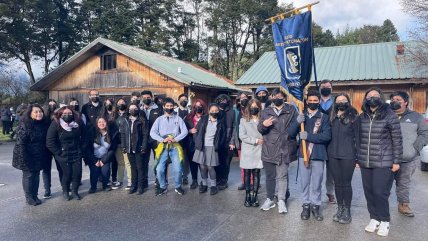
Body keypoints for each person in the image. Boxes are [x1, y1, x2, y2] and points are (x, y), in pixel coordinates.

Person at [357, 87, 402, 237]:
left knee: (380, 192)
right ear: (366, 99)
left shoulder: (389, 115)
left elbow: (397, 139)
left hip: (384, 161)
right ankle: (374, 218)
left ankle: (384, 220)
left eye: (375, 96)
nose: (372, 98)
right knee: (369, 192)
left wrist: (396, 161)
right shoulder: (362, 116)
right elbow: (358, 139)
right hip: (366, 161)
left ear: (381, 98)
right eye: (369, 96)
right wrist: (358, 158)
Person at [290, 89, 331, 221]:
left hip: (318, 154)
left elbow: (326, 136)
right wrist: (297, 122)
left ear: (319, 101)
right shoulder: (301, 116)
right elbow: (291, 134)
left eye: (315, 101)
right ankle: (306, 205)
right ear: (306, 101)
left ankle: (316, 206)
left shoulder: (324, 117)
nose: (312, 102)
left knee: (317, 183)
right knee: (305, 182)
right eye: (310, 100)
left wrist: (309, 136)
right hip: (304, 154)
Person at [258, 88, 298, 214]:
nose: (278, 98)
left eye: (280, 96)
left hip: (284, 148)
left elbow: (294, 129)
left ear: (284, 98)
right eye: (275, 96)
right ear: (272, 97)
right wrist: (264, 125)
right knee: (270, 176)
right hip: (269, 148)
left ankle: (281, 200)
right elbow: (260, 128)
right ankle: (269, 198)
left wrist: (298, 122)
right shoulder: (266, 111)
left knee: (282, 176)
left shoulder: (291, 110)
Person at [390, 91, 428, 217]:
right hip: (387, 158)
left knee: (404, 182)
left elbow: (425, 133)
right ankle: (380, 204)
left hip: (408, 158)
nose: (395, 101)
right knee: (383, 182)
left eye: (398, 99)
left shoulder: (416, 117)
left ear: (405, 102)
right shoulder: (386, 115)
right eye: (393, 99)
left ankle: (403, 204)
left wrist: (415, 149)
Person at [328, 93, 358, 224]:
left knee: (346, 184)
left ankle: (347, 209)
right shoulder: (332, 117)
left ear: (348, 101)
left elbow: (359, 138)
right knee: (337, 183)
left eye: (343, 100)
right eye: (338, 101)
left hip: (348, 155)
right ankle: (340, 207)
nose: (341, 102)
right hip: (333, 155)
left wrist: (358, 157)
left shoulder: (354, 117)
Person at [12, 104, 50, 206]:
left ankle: (35, 195)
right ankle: (29, 197)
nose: (39, 114)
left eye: (40, 111)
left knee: (36, 175)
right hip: (26, 154)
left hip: (39, 155)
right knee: (29, 175)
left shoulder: (44, 124)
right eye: (36, 112)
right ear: (30, 113)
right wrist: (24, 158)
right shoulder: (25, 124)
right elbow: (20, 143)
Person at [150, 97, 188, 196]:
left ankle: (178, 186)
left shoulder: (178, 118)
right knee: (159, 169)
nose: (169, 108)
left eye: (171, 106)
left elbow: (185, 131)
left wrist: (176, 139)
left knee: (178, 168)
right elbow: (152, 132)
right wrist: (162, 139)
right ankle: (163, 187)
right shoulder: (159, 119)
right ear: (164, 107)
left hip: (175, 146)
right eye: (167, 106)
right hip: (163, 147)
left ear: (173, 107)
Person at [46, 106, 85, 201]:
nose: (67, 115)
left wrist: (81, 149)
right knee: (67, 174)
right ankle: (66, 191)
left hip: (76, 153)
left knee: (77, 174)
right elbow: (50, 141)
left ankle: (75, 191)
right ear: (60, 114)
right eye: (65, 114)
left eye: (69, 114)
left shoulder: (78, 123)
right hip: (63, 154)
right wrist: (58, 152)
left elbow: (85, 137)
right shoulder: (55, 124)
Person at [192, 103, 226, 195]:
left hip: (212, 147)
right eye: (212, 110)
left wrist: (219, 145)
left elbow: (223, 136)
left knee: (211, 167)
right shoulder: (203, 119)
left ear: (218, 111)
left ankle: (213, 186)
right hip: (202, 146)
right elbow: (196, 131)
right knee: (202, 166)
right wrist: (197, 142)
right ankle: (204, 184)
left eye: (216, 111)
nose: (214, 112)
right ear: (209, 111)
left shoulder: (220, 122)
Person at [239, 99, 263, 207]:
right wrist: (256, 140)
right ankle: (247, 195)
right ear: (249, 108)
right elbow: (242, 136)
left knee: (257, 173)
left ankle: (255, 195)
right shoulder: (243, 120)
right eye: (252, 107)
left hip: (259, 150)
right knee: (247, 173)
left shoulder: (262, 120)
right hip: (248, 150)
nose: (254, 108)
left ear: (259, 107)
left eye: (256, 106)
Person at [87, 117, 120, 193]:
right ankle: (93, 187)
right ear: (97, 123)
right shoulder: (92, 133)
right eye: (99, 122)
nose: (101, 124)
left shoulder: (111, 133)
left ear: (106, 123)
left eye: (103, 122)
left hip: (105, 157)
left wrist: (104, 160)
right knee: (94, 172)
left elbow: (112, 149)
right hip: (94, 157)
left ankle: (105, 185)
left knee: (105, 171)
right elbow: (88, 148)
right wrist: (95, 160)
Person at [122, 104, 149, 194]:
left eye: (135, 108)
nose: (133, 110)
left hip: (139, 147)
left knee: (140, 167)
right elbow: (123, 134)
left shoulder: (142, 120)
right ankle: (134, 186)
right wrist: (123, 146)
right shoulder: (125, 120)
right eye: (131, 109)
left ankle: (140, 187)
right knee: (133, 168)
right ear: (128, 110)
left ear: (138, 109)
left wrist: (144, 146)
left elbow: (145, 134)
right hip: (129, 147)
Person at [140, 90, 164, 188]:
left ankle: (158, 179)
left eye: (148, 97)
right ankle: (144, 180)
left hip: (156, 139)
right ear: (142, 98)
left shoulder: (158, 109)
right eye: (144, 97)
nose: (146, 99)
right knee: (144, 161)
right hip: (143, 139)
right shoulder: (139, 109)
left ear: (152, 97)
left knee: (158, 160)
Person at [319, 79, 336, 204]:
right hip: (318, 138)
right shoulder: (314, 100)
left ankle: (330, 192)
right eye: (323, 86)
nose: (326, 88)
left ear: (332, 88)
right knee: (317, 169)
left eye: (328, 86)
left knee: (331, 169)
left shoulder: (336, 101)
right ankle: (316, 192)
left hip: (333, 138)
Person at [215, 94, 236, 190]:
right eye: (221, 100)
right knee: (217, 162)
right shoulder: (215, 111)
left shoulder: (232, 112)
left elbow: (234, 127)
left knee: (226, 163)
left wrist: (232, 142)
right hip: (217, 142)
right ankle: (217, 180)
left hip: (228, 141)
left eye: (225, 100)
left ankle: (224, 180)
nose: (223, 102)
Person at [184, 99, 207, 189]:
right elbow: (182, 129)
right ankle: (194, 180)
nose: (198, 107)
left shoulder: (206, 117)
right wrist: (189, 130)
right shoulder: (188, 117)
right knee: (193, 163)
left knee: (202, 164)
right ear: (194, 107)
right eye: (197, 106)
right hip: (191, 143)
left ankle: (203, 180)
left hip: (203, 143)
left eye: (200, 105)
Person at [41, 98, 61, 199]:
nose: (52, 106)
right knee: (46, 169)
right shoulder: (43, 118)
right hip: (45, 147)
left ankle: (64, 185)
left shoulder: (58, 116)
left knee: (60, 167)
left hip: (57, 144)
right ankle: (47, 189)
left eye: (54, 104)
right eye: (50, 104)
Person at [114, 98, 132, 189]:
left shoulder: (129, 115)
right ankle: (120, 180)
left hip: (126, 142)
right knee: (120, 163)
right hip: (117, 142)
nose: (121, 104)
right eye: (119, 103)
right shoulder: (115, 116)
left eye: (123, 102)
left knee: (127, 162)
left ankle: (130, 181)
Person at [175, 94, 191, 185]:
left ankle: (185, 176)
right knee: (178, 159)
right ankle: (178, 176)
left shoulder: (190, 111)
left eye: (185, 99)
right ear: (178, 101)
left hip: (188, 139)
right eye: (182, 99)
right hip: (177, 139)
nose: (184, 101)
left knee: (186, 159)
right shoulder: (174, 111)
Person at [234, 92, 249, 191]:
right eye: (241, 97)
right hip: (240, 140)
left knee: (252, 162)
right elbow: (234, 125)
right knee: (243, 163)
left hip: (251, 140)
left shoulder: (252, 108)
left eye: (245, 97)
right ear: (238, 100)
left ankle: (252, 181)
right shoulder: (236, 111)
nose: (243, 99)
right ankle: (244, 181)